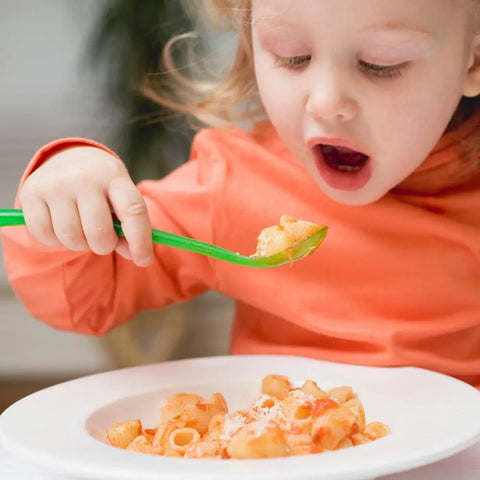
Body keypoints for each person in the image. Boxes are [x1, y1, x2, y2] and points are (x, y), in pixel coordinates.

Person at [2, 0, 480, 388]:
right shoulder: (235, 183)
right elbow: (81, 300)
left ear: (473, 59)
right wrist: (64, 190)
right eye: (293, 56)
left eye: (381, 64)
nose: (327, 102)